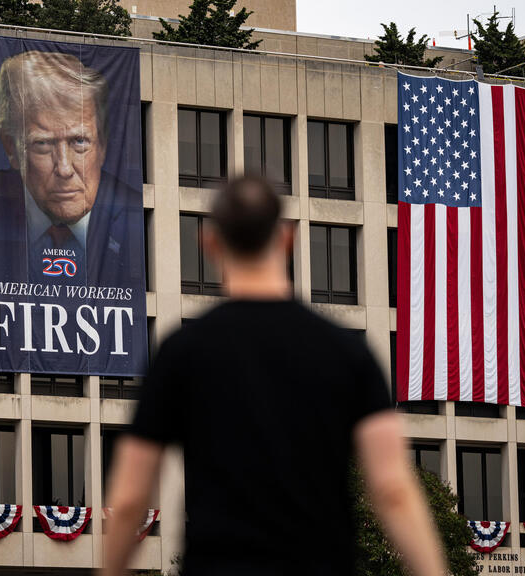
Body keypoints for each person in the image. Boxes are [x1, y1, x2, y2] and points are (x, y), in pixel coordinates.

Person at [102, 176, 448, 576]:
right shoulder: (347, 352)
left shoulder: (182, 352)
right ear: (286, 239)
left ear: (210, 243)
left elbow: (130, 497)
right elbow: (392, 489)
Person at [0, 49, 143, 286]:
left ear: (102, 145)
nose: (64, 169)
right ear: (11, 147)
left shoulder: (139, 218)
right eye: (42, 143)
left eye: (79, 142)